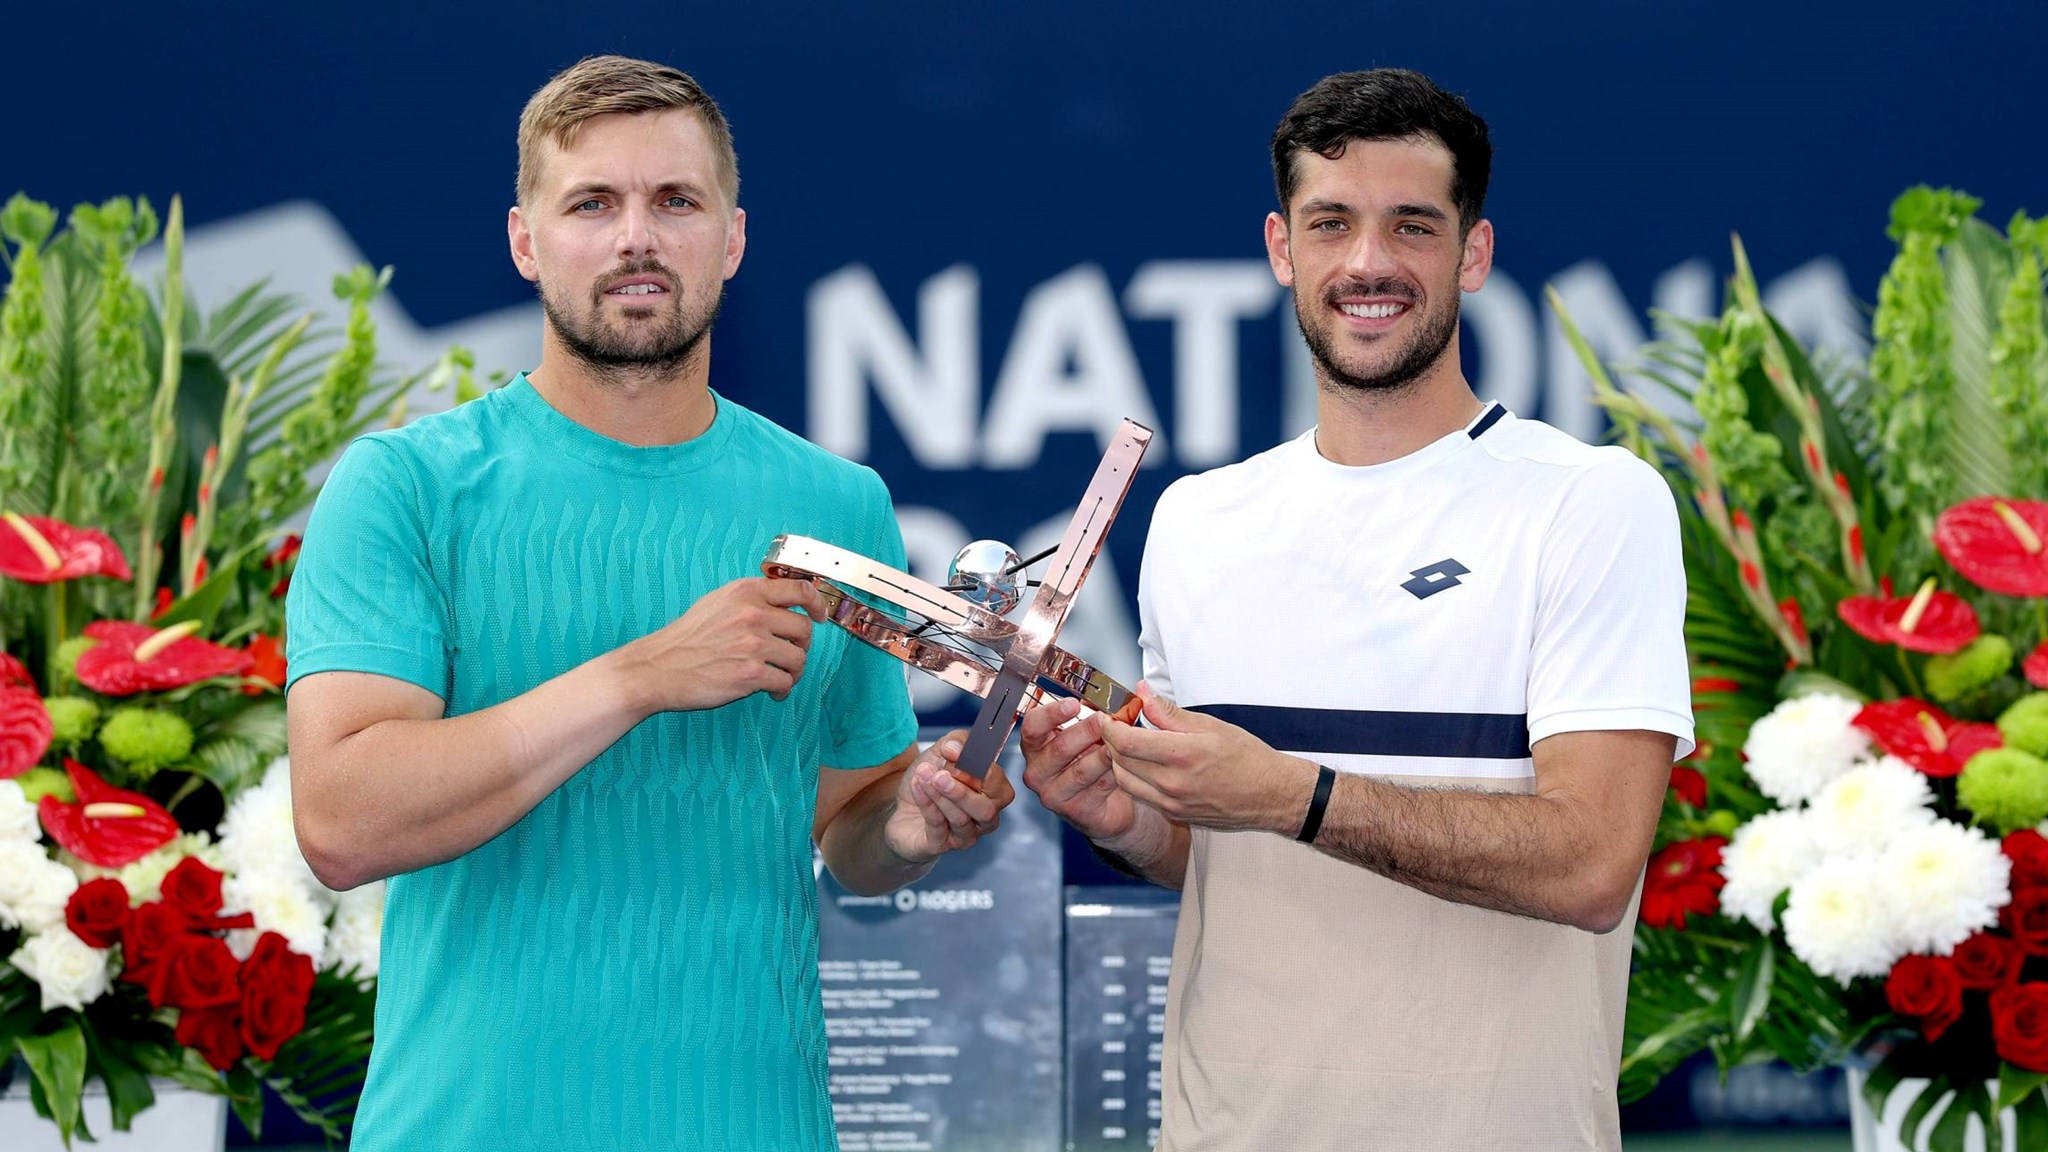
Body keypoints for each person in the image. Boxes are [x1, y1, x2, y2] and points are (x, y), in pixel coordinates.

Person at [285, 55, 1011, 1151]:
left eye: (676, 201)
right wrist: (638, 678)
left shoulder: (837, 504)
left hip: (753, 1125)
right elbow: (342, 823)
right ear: (526, 241)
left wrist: (910, 825)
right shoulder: (405, 487)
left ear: (732, 238)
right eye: (592, 203)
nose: (637, 237)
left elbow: (849, 827)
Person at [1021, 68, 1692, 1151]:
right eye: (1331, 223)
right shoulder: (1198, 518)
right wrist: (1125, 821)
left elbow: (1589, 865)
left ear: (1473, 254)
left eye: (1411, 226)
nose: (1368, 263)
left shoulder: (1590, 501)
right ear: (1282, 248)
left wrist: (1293, 793)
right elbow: (1225, 859)